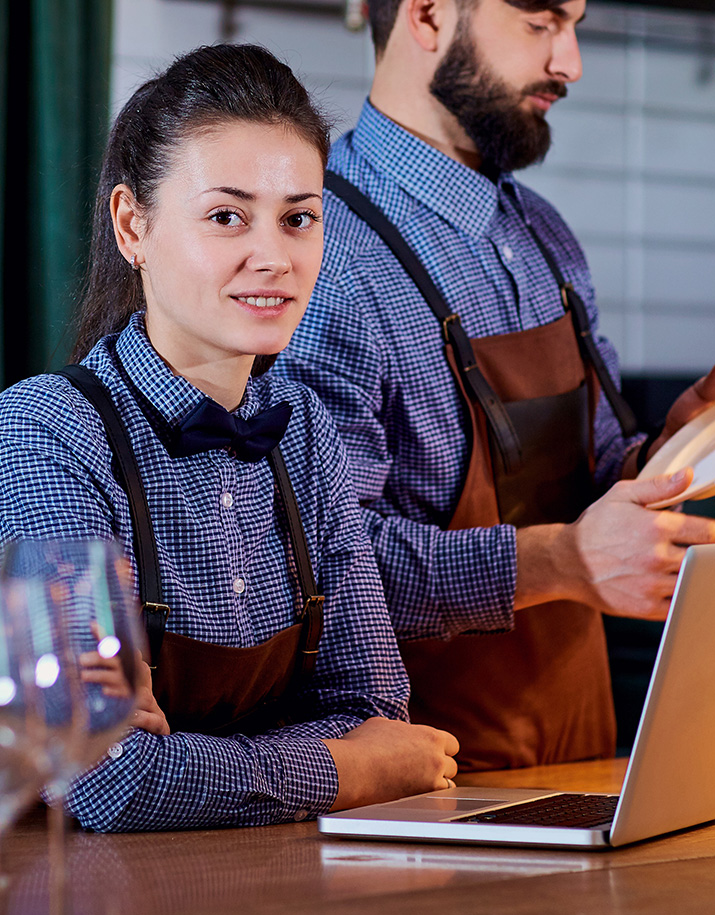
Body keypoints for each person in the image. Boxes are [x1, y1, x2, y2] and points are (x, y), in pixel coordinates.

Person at [0, 43, 459, 832]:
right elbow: (106, 774)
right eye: (226, 217)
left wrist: (194, 768)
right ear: (131, 224)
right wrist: (344, 770)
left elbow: (375, 707)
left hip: (288, 895)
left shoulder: (305, 425)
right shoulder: (45, 429)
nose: (274, 257)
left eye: (299, 219)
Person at [279, 0, 715, 771]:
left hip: (586, 755)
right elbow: (323, 564)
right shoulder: (325, 252)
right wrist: (561, 562)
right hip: (421, 790)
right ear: (428, 16)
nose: (570, 64)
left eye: (576, 26)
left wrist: (667, 456)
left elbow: (593, 490)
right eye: (540, 21)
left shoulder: (546, 237)